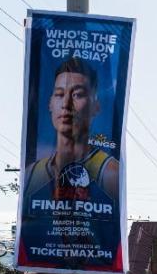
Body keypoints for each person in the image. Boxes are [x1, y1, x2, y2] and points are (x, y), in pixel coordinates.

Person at [24, 58, 119, 205]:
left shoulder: (110, 173)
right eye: (60, 94)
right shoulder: (32, 173)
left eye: (77, 95)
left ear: (96, 106)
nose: (66, 104)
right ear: (50, 103)